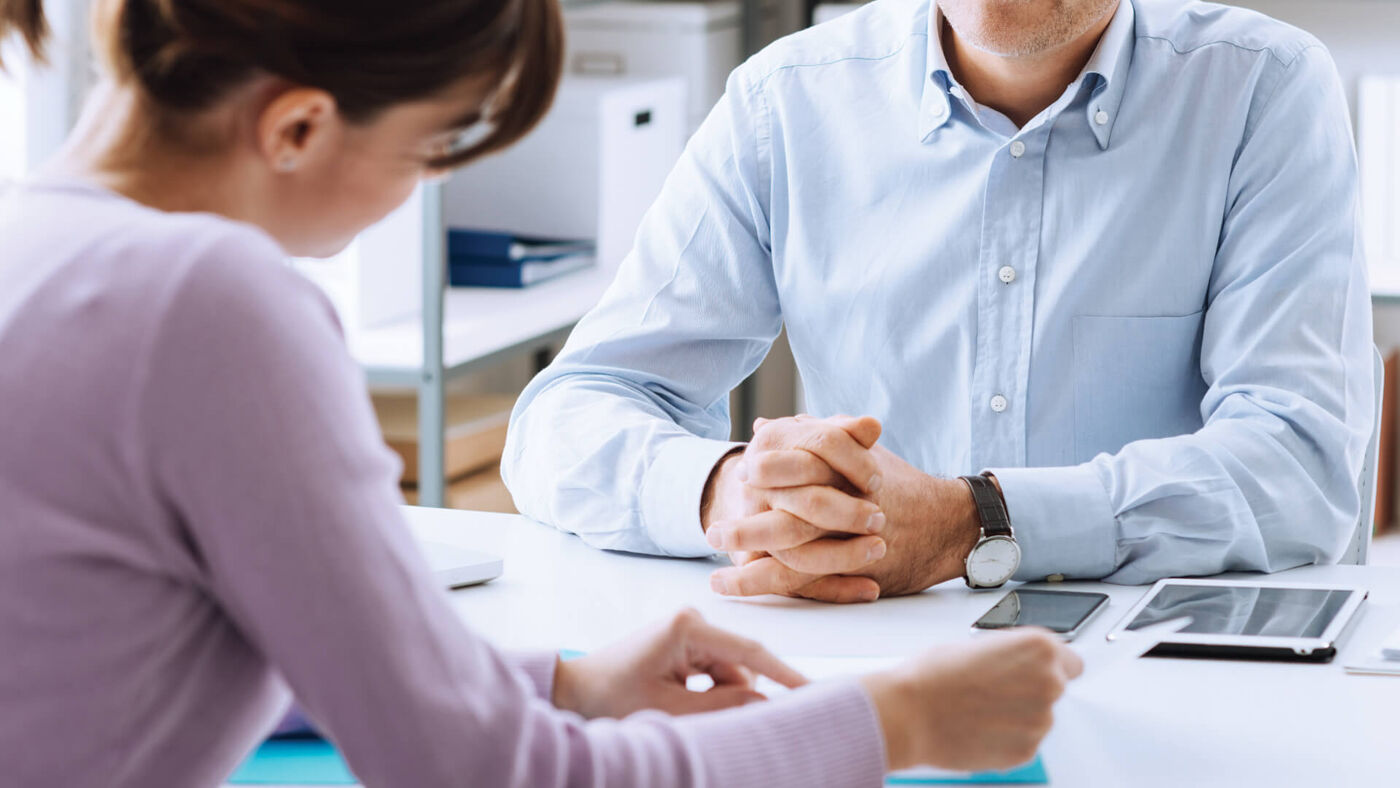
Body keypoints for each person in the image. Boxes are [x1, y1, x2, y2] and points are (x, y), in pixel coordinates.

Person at [0, 1, 1084, 786]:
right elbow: (484, 773)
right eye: (433, 146)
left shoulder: (32, 238)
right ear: (295, 128)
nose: (426, 187)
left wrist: (560, 682)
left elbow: (119, 660)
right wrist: (889, 720)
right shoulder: (214, 305)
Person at [503, 0, 1375, 603]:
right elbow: (570, 411)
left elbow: (1298, 465)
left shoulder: (1264, 88)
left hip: (1159, 667)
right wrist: (728, 493)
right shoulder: (787, 99)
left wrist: (972, 524)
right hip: (867, 655)